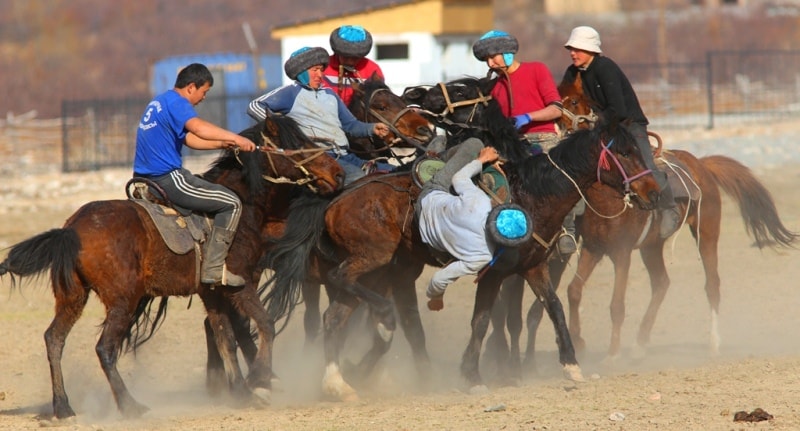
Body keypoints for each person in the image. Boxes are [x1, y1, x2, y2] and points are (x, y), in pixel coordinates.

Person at [133, 63, 257, 286]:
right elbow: (198, 128)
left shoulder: (161, 101)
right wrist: (237, 138)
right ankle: (214, 269)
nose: (204, 97)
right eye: (204, 91)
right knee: (232, 203)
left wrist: (223, 143)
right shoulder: (178, 102)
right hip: (167, 179)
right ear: (191, 87)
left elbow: (189, 139)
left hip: (143, 178)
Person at [561, 26, 680, 238]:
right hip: (598, 128)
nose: (573, 53)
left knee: (645, 164)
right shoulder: (572, 73)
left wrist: (595, 121)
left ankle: (670, 208)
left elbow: (619, 110)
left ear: (591, 50)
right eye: (571, 48)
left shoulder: (605, 68)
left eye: (578, 49)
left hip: (629, 124)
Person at [472, 30, 578, 254]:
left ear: (508, 53)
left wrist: (529, 117)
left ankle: (567, 230)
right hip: (512, 145)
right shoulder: (494, 88)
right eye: (486, 60)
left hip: (544, 137)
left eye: (494, 56)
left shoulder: (536, 70)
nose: (490, 63)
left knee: (560, 179)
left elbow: (555, 109)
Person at [247, 46, 391, 185]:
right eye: (314, 70)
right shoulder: (290, 93)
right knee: (359, 179)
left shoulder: (330, 94)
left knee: (394, 172)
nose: (320, 75)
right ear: (301, 71)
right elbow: (254, 106)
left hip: (346, 155)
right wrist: (283, 130)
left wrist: (372, 129)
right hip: (319, 158)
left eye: (321, 70)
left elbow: (350, 125)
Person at [416, 138, 499, 311]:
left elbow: (459, 178)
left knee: (474, 144)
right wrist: (436, 297)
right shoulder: (484, 256)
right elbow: (438, 280)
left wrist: (482, 160)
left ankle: (437, 156)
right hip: (429, 235)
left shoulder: (480, 201)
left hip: (430, 195)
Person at [324, 25, 385, 107]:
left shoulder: (372, 69)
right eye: (345, 57)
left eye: (355, 58)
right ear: (337, 52)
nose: (350, 62)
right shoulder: (322, 67)